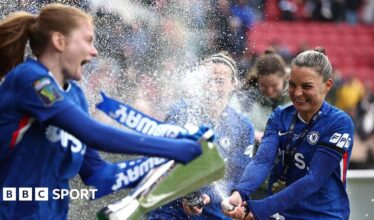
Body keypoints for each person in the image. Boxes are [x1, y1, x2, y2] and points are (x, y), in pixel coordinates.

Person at [0, 4, 209, 219]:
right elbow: (93, 133)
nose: (94, 51)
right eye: (88, 40)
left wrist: (164, 175)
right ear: (59, 41)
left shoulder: (76, 97)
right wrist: (173, 147)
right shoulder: (31, 79)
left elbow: (99, 175)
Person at [223, 48, 354, 220]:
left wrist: (260, 209)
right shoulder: (279, 116)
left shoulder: (339, 123)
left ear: (327, 85)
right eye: (292, 85)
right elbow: (262, 160)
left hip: (324, 215)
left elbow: (313, 179)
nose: (297, 93)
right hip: (281, 214)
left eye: (306, 86)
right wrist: (240, 193)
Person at [148, 53, 255, 219]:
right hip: (170, 208)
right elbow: (161, 160)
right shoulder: (180, 112)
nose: (212, 87)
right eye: (208, 80)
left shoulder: (243, 127)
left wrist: (208, 196)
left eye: (219, 81)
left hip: (214, 212)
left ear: (234, 84)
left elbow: (237, 178)